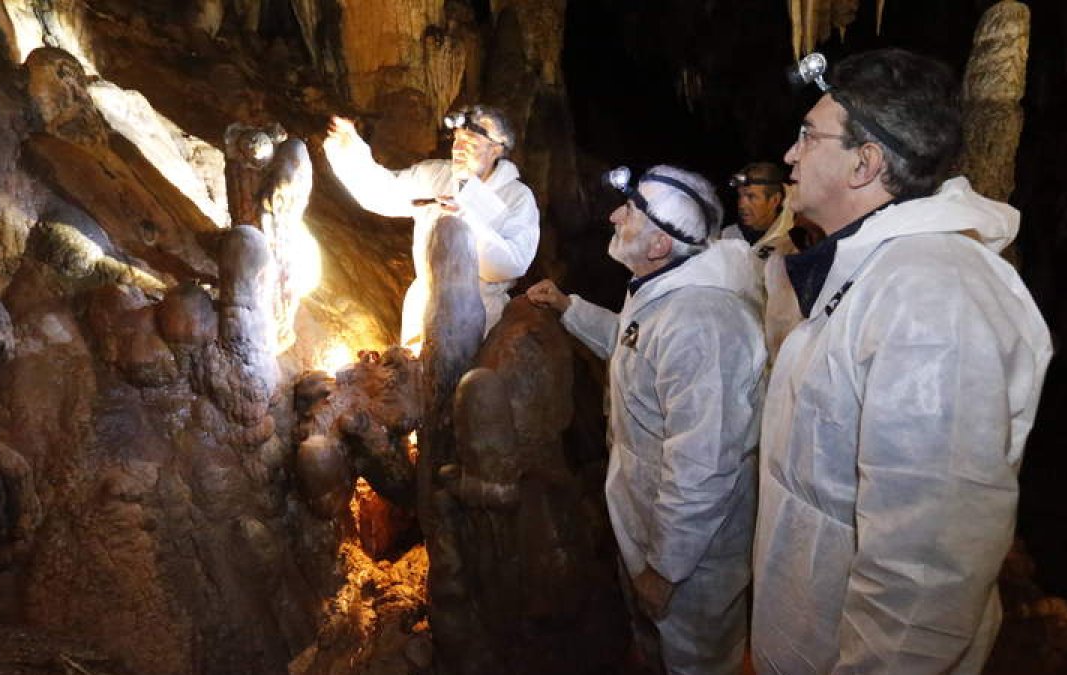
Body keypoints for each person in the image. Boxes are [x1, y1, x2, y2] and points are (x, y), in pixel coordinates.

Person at [751, 48, 1053, 674]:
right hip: (810, 635)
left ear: (866, 162)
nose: (790, 155)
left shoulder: (932, 298)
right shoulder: (877, 273)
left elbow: (925, 571)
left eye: (808, 136)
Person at [527, 165, 765, 675]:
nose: (614, 215)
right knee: (656, 648)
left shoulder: (704, 325)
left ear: (660, 243)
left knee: (695, 660)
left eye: (630, 211)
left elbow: (703, 467)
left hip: (693, 557)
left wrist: (664, 569)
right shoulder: (661, 288)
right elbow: (636, 348)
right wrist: (571, 309)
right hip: (648, 521)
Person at [323, 105, 540, 349]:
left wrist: (466, 219)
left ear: (495, 149)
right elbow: (382, 192)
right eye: (456, 139)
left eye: (470, 142)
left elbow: (512, 263)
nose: (457, 148)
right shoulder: (436, 175)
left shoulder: (517, 197)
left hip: (483, 317)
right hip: (425, 308)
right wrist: (348, 151)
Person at [721, 161, 786, 246]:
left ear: (775, 200)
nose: (742, 205)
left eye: (751, 196)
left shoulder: (793, 240)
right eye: (740, 196)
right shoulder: (727, 237)